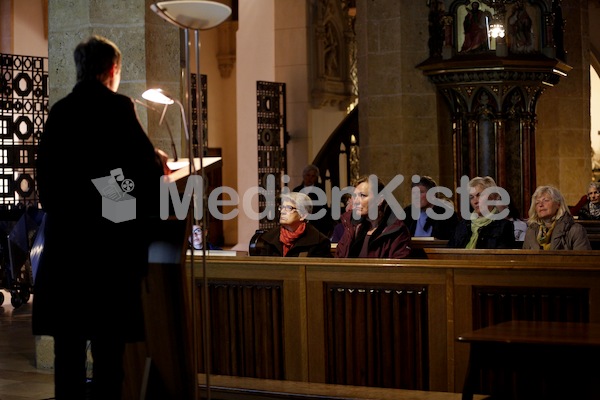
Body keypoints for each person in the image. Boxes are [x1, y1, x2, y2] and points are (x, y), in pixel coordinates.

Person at [33, 35, 169, 399]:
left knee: (69, 359)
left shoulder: (60, 112)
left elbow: (47, 184)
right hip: (108, 256)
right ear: (113, 70)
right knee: (110, 358)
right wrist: (155, 160)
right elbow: (141, 177)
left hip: (64, 251)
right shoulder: (118, 108)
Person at [335, 175, 411, 259]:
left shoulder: (396, 231)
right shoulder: (352, 227)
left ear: (379, 200)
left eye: (362, 195)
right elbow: (339, 260)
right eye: (354, 196)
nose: (355, 201)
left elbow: (398, 269)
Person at [252, 192, 332, 257]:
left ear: (303, 215)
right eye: (282, 207)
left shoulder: (319, 241)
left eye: (289, 208)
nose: (282, 211)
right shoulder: (270, 239)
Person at [448, 176, 516, 249]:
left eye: (479, 195)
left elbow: (501, 257)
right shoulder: (462, 225)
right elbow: (449, 253)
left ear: (492, 196)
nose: (475, 201)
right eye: (472, 197)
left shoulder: (504, 227)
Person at [523, 185, 592, 250]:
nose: (541, 205)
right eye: (537, 202)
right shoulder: (531, 232)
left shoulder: (575, 230)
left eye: (546, 200)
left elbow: (583, 261)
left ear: (558, 204)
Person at [403, 176, 458, 240]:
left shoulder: (447, 215)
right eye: (414, 193)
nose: (416, 197)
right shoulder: (407, 212)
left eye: (421, 192)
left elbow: (454, 242)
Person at [293, 164, 333, 237]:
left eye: (313, 176)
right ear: (304, 176)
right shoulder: (297, 190)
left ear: (316, 177)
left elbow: (323, 208)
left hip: (317, 225)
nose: (310, 178)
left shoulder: (320, 190)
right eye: (308, 175)